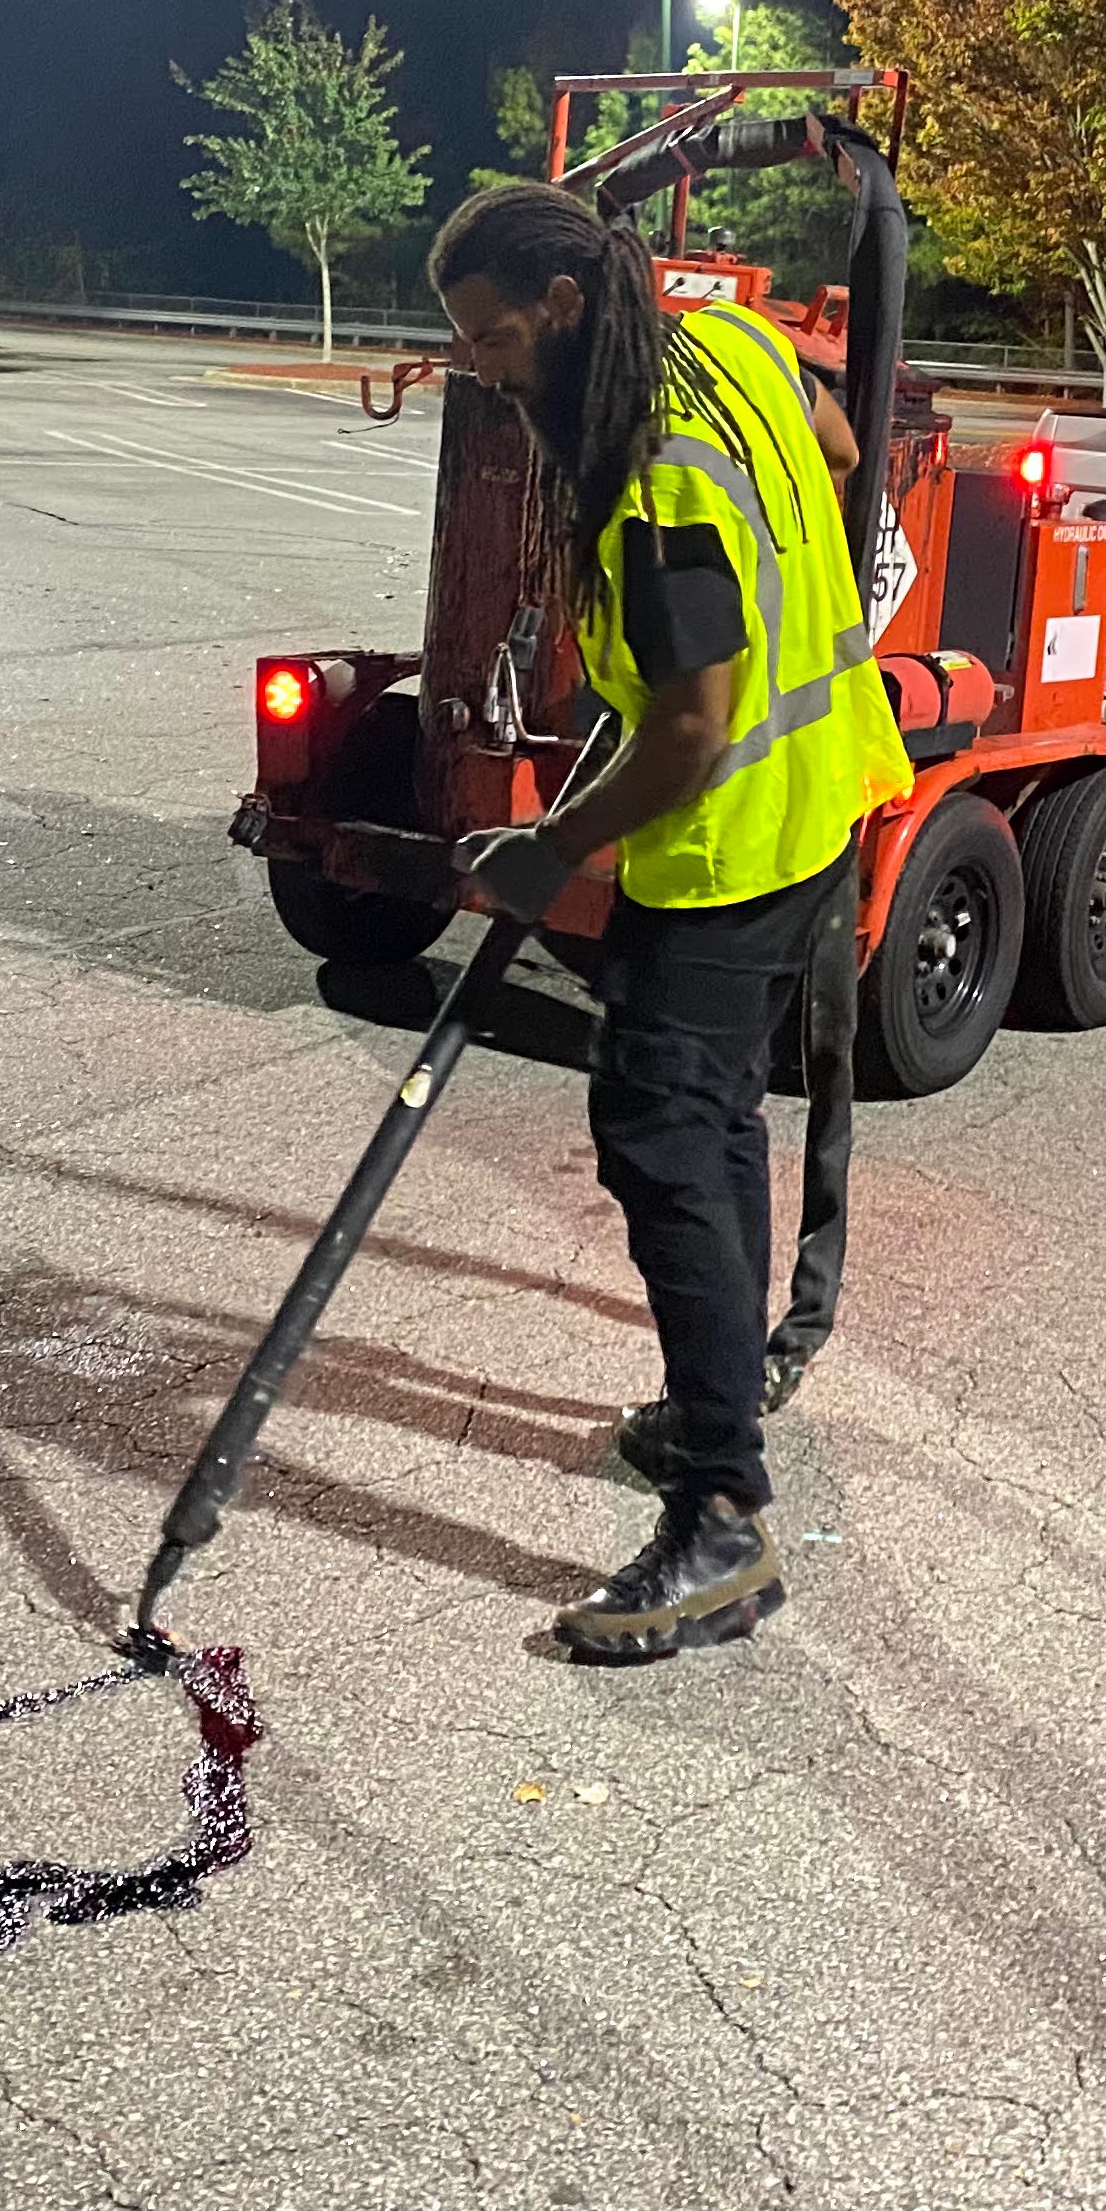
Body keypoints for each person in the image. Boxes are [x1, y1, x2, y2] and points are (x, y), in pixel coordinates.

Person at [432, 179, 910, 1664]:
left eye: (499, 339)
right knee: (718, 1134)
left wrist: (545, 850)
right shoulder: (731, 344)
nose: (487, 372)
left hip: (734, 849)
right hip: (825, 799)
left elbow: (695, 734)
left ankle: (724, 1515)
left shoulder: (654, 480)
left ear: (566, 307)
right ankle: (724, 1391)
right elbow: (840, 446)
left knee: (660, 1142)